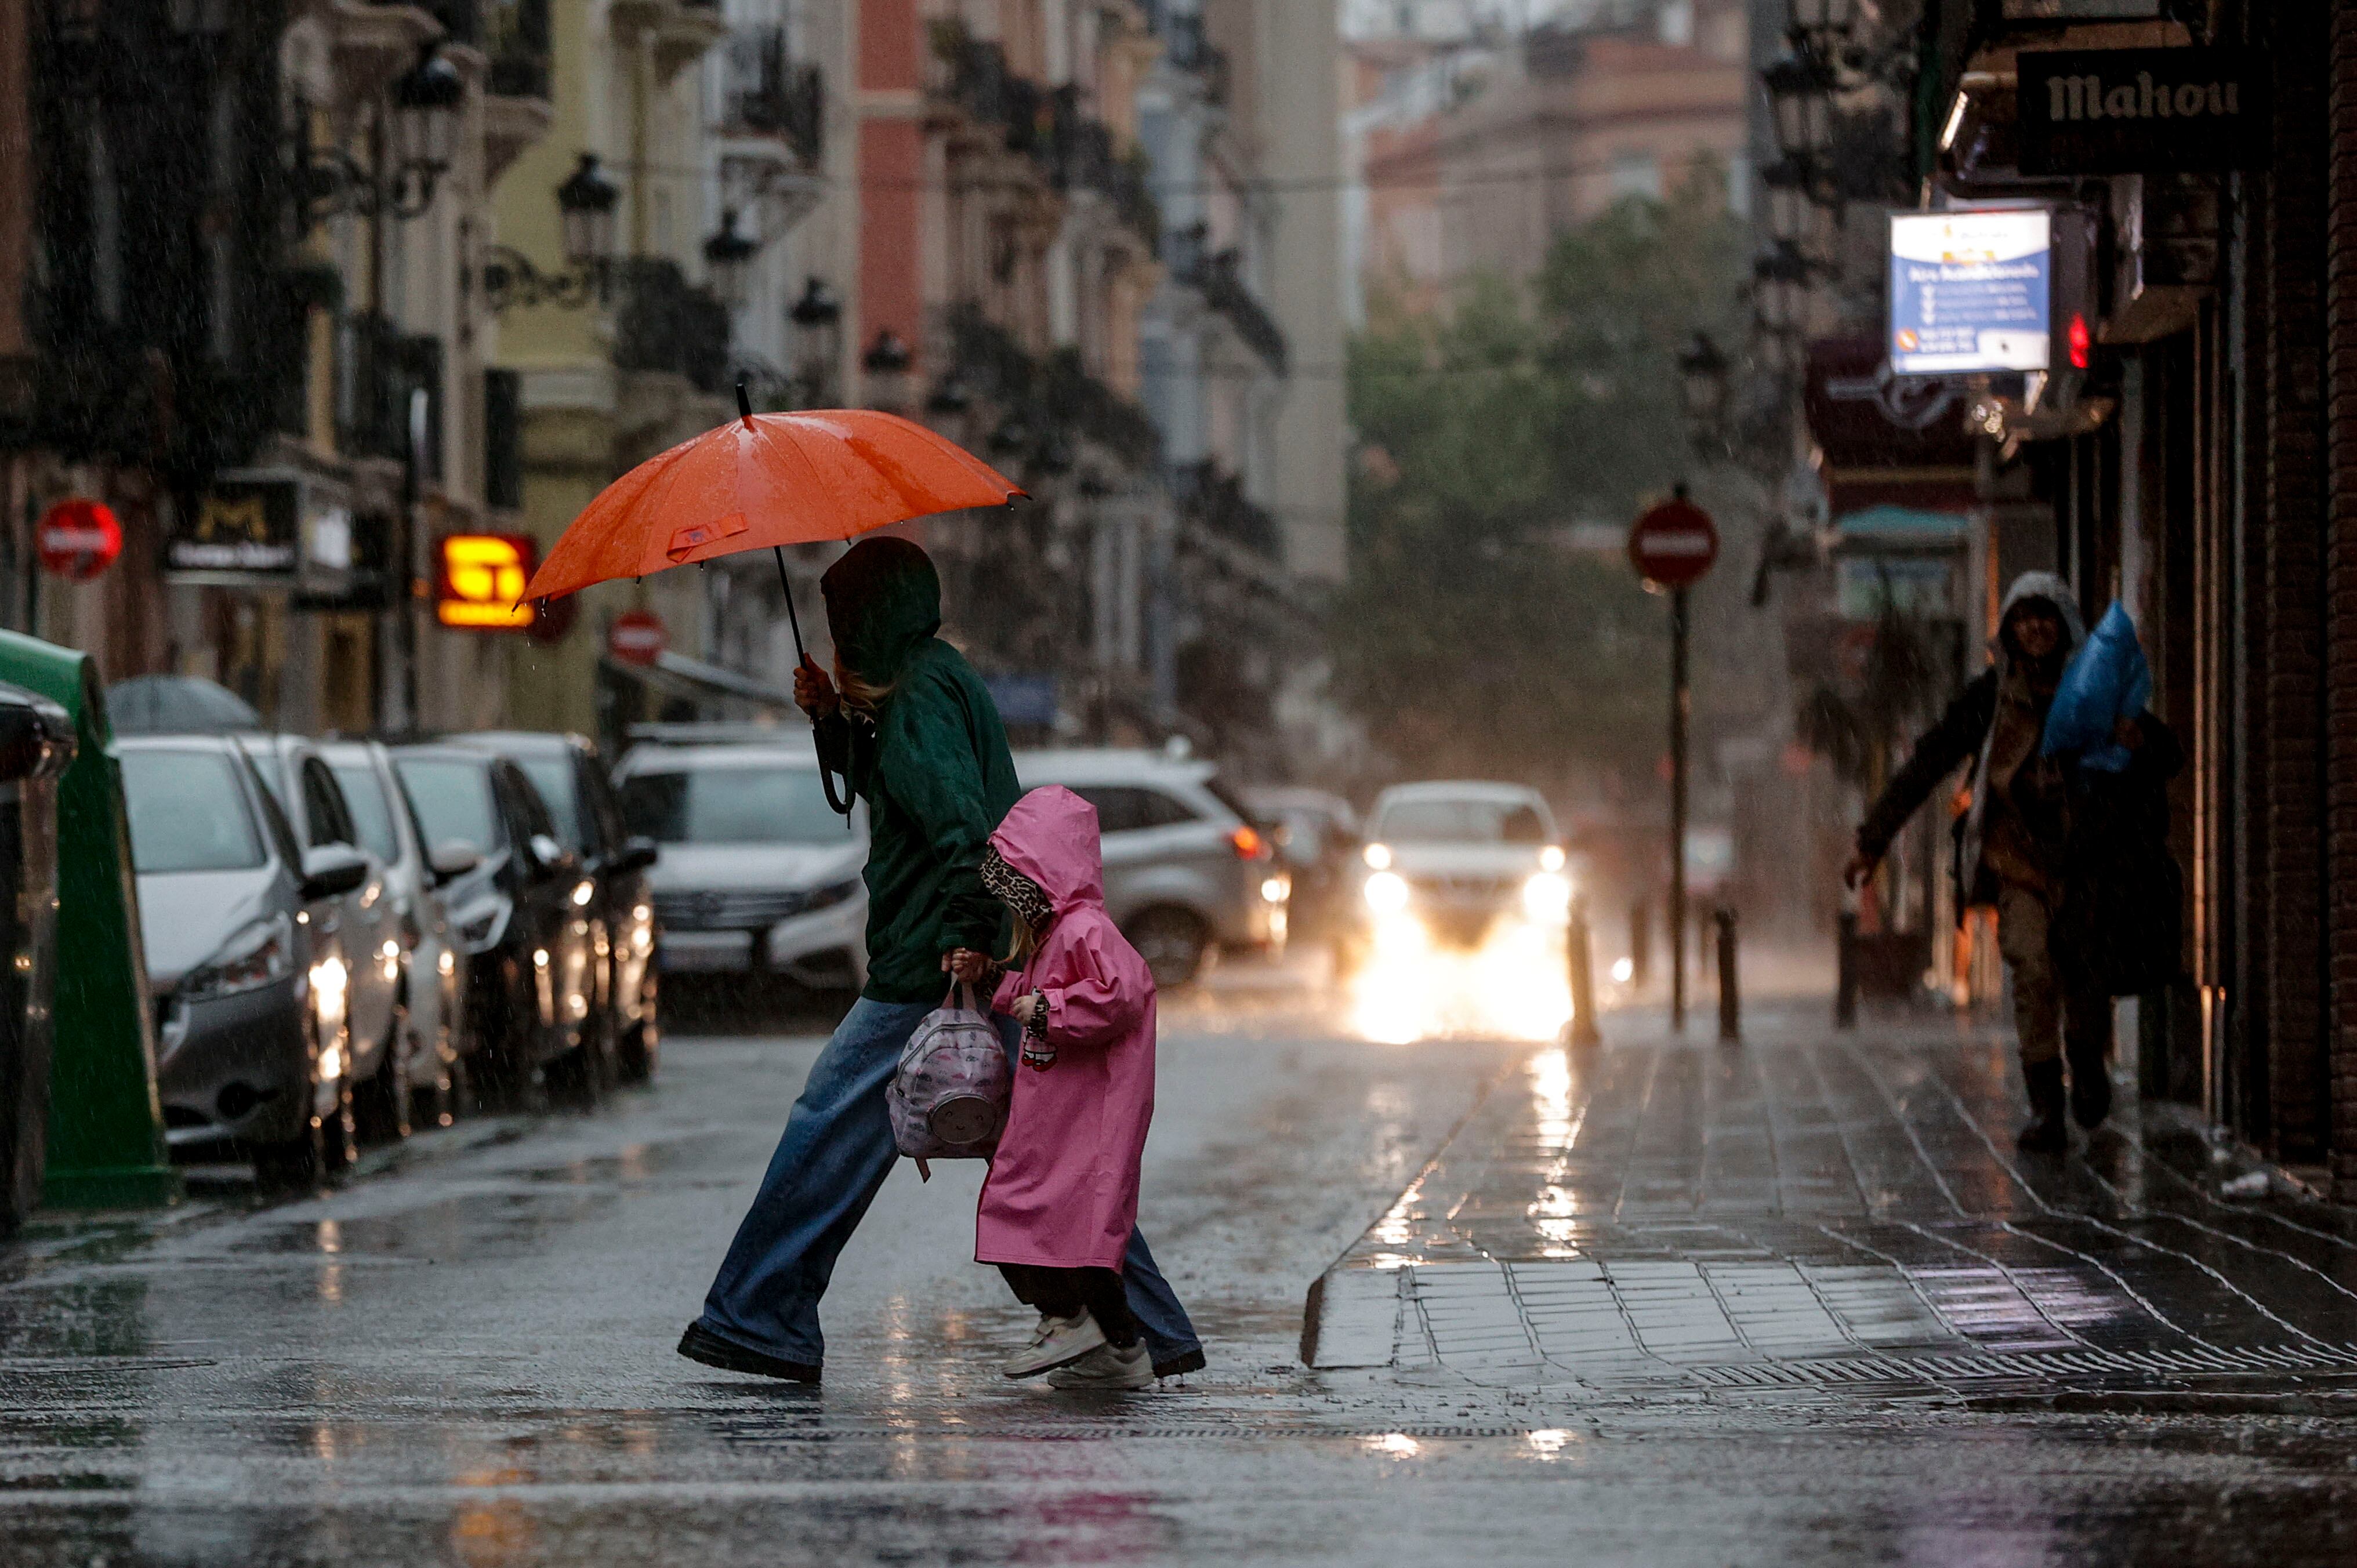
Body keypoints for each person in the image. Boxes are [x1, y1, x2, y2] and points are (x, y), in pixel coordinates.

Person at [677, 537, 1203, 1383]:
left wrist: (963, 938)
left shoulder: (920, 695)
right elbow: (903, 785)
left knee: (827, 1128)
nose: (838, 637)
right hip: (957, 950)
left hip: (931, 961)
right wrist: (832, 720)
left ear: (870, 621)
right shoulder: (932, 679)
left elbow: (961, 829)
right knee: (1043, 1147)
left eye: (844, 621)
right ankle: (1141, 1325)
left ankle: (760, 1313)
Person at [1843, 572, 2181, 1153]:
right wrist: (1872, 840)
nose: (2034, 628)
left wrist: (2135, 742)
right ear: (2008, 630)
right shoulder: (1991, 699)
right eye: (2023, 618)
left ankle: (2086, 1062)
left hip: (2087, 865)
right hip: (2016, 860)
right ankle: (2045, 1105)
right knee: (2030, 969)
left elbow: (2166, 753)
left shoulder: (2095, 689)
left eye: (2044, 616)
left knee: (2083, 978)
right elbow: (1930, 760)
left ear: (2064, 624)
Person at [945, 785, 1160, 1390]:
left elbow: (1123, 993)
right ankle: (1113, 1347)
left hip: (1086, 1117)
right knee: (1045, 1224)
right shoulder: (1054, 936)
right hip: (1059, 1114)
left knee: (1071, 1234)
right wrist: (994, 977)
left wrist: (1039, 1004)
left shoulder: (1082, 929)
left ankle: (1074, 1322)